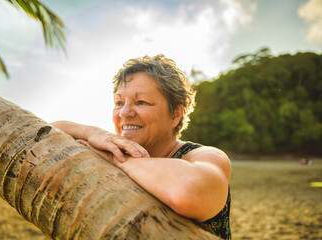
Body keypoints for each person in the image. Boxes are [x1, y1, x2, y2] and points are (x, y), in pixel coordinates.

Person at [51, 55, 231, 239]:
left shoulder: (204, 156)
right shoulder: (110, 147)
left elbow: (188, 192)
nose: (124, 113)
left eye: (141, 102)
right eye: (119, 103)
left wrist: (121, 160)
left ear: (176, 114)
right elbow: (48, 134)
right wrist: (92, 133)